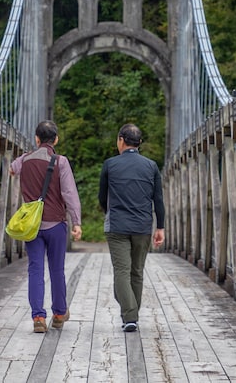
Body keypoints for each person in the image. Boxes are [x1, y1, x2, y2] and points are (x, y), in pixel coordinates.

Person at [10, 120, 83, 333]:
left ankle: (38, 318)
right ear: (56, 139)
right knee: (57, 269)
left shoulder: (24, 160)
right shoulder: (60, 162)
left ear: (36, 138)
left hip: (32, 227)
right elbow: (69, 193)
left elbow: (11, 170)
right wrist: (76, 222)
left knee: (35, 269)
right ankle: (59, 313)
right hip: (56, 225)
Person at [98, 123, 165, 333]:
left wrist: (108, 212)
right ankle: (131, 315)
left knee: (121, 271)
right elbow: (158, 200)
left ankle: (130, 315)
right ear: (140, 143)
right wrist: (160, 227)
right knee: (136, 272)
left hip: (117, 226)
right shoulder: (151, 166)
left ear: (120, 140)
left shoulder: (110, 164)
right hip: (143, 226)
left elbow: (102, 197)